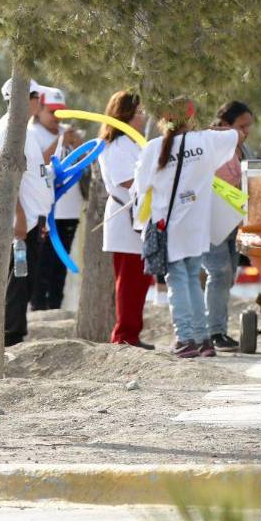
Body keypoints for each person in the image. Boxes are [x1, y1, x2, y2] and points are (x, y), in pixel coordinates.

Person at [133, 98, 239, 359]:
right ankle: (203, 340)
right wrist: (208, 129)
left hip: (167, 226)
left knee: (178, 281)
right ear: (191, 118)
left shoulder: (154, 148)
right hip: (198, 225)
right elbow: (235, 134)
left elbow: (139, 187)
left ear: (162, 120)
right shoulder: (205, 141)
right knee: (192, 279)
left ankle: (185, 338)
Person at [0, 77, 53, 347]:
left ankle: (15, 331)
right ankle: (10, 336)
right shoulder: (10, 129)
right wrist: (18, 216)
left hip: (32, 217)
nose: (38, 102)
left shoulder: (24, 129)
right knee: (18, 278)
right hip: (22, 219)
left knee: (25, 279)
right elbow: (8, 178)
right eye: (34, 97)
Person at [96, 90, 154, 348]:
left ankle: (133, 333)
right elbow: (128, 180)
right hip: (125, 217)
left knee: (139, 280)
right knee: (129, 281)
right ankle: (124, 335)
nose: (143, 118)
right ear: (127, 115)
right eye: (139, 113)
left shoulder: (133, 143)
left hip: (139, 216)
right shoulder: (118, 146)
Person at [200, 101, 255, 352]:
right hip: (210, 220)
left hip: (234, 221)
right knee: (219, 272)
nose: (246, 132)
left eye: (248, 126)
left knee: (229, 273)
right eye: (241, 126)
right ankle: (214, 332)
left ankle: (217, 327)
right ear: (225, 125)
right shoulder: (209, 147)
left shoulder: (246, 151)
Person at [28, 86, 84, 311]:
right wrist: (60, 140)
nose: (56, 118)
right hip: (44, 209)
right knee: (42, 263)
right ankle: (38, 308)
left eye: (61, 112)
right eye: (52, 112)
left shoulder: (70, 133)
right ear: (39, 110)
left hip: (69, 209)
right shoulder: (31, 134)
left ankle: (56, 308)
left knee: (60, 266)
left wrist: (77, 144)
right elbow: (37, 163)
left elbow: (85, 162)